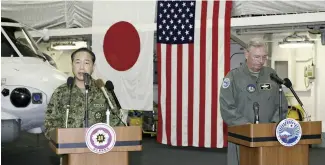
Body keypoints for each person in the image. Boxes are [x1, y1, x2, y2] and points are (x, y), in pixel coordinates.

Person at [219, 38, 288, 165]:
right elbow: (226, 107)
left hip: (269, 135)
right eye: (256, 57)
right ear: (246, 54)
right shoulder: (233, 77)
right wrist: (246, 126)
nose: (261, 61)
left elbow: (282, 103)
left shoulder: (271, 75)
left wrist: (275, 123)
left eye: (264, 57)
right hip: (241, 136)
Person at [44, 47, 124, 140]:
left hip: (100, 148)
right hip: (70, 149)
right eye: (77, 62)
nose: (81, 67)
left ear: (93, 67)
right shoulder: (60, 92)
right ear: (72, 65)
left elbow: (117, 122)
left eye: (86, 63)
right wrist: (61, 137)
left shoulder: (103, 91)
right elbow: (50, 123)